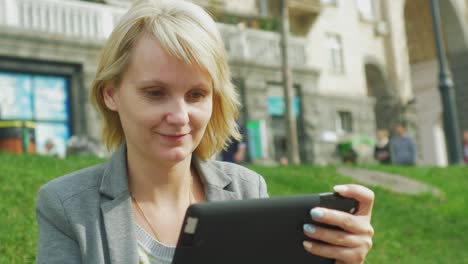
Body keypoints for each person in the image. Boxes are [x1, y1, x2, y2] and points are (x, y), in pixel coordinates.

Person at [35, 0, 375, 263]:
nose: (180, 116)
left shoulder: (247, 191)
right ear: (111, 94)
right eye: (155, 93)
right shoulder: (66, 207)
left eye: (196, 95)